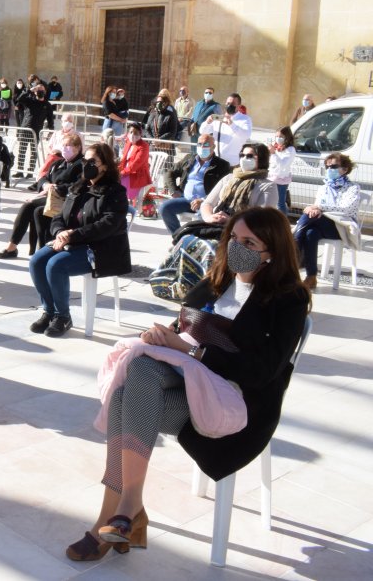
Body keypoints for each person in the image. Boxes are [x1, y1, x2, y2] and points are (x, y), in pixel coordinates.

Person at [66, 207, 310, 562]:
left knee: (125, 396)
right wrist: (161, 337)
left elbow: (262, 371)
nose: (235, 247)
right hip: (188, 384)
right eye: (232, 238)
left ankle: (119, 512)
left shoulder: (289, 298)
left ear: (271, 250)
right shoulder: (216, 280)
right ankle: (126, 507)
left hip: (238, 403)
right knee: (140, 373)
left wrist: (194, 351)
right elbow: (182, 329)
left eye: (248, 242)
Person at [29, 142, 131, 338]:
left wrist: (71, 235)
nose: (87, 165)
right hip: (73, 241)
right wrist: (60, 232)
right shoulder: (79, 187)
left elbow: (107, 225)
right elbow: (60, 216)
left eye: (93, 161)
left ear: (106, 166)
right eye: (85, 160)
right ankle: (49, 311)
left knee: (55, 265)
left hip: (101, 248)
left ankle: (62, 316)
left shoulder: (115, 192)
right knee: (37, 261)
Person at [0, 132, 85, 258]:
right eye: (63, 145)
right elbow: (43, 178)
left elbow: (77, 185)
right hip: (50, 196)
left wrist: (56, 187)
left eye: (68, 146)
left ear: (77, 148)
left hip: (65, 199)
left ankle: (40, 249)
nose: (65, 148)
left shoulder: (80, 165)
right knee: (29, 206)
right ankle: (13, 246)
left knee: (34, 208)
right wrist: (45, 185)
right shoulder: (58, 163)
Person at [294, 152, 361, 290]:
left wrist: (319, 207)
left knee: (310, 217)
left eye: (334, 166)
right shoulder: (324, 188)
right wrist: (314, 208)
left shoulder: (353, 188)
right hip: (321, 224)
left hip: (341, 227)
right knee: (310, 233)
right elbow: (317, 208)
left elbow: (346, 209)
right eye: (327, 166)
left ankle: (294, 247)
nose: (329, 169)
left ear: (345, 169)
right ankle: (311, 277)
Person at [158, 134, 231, 235]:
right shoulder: (189, 159)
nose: (202, 147)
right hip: (186, 200)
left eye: (205, 145)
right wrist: (173, 190)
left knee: (205, 218)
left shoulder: (222, 165)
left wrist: (203, 200)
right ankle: (179, 237)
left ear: (213, 147)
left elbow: (226, 189)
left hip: (206, 203)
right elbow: (170, 172)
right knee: (164, 208)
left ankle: (197, 242)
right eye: (199, 144)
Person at [199, 143, 276, 228]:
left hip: (242, 233)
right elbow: (207, 203)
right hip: (215, 226)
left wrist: (231, 221)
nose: (244, 158)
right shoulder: (229, 177)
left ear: (262, 159)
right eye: (242, 155)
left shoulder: (268, 186)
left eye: (249, 156)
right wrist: (209, 217)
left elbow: (261, 219)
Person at [200, 93, 251, 166]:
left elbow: (246, 135)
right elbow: (202, 131)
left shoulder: (244, 119)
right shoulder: (219, 118)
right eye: (228, 103)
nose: (229, 105)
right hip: (215, 162)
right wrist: (207, 122)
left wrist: (232, 124)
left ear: (239, 106)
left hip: (231, 164)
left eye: (233, 104)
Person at [118, 123, 151, 205]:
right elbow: (124, 160)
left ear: (140, 134)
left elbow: (135, 165)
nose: (132, 135)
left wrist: (122, 173)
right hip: (126, 172)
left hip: (137, 175)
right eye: (131, 132)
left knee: (120, 183)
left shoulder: (144, 146)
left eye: (135, 133)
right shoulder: (128, 142)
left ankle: (122, 203)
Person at [268, 126, 296, 214]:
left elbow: (283, 164)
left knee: (280, 203)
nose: (278, 139)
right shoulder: (276, 147)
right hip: (271, 177)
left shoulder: (290, 149)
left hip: (281, 179)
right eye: (276, 136)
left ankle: (283, 222)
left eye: (281, 137)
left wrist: (273, 154)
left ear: (287, 137)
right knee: (270, 202)